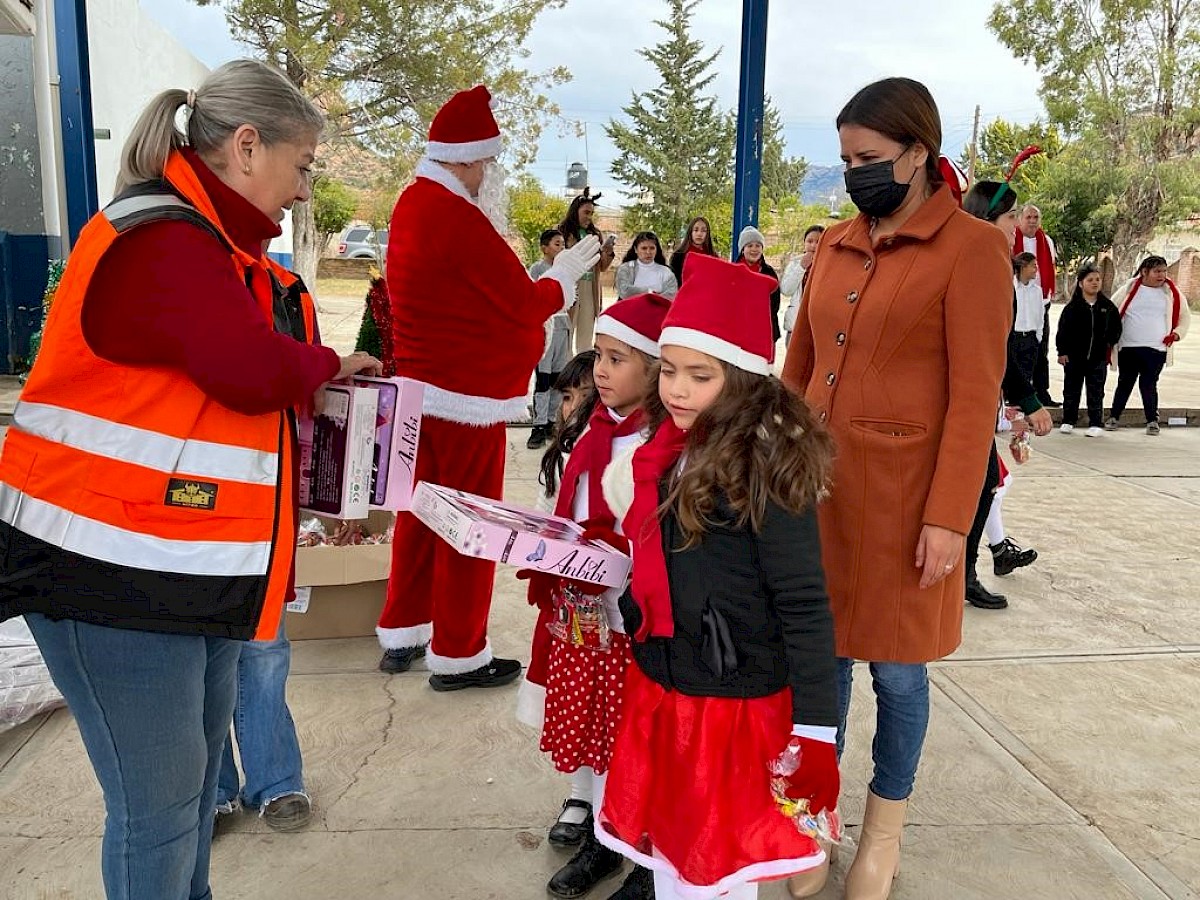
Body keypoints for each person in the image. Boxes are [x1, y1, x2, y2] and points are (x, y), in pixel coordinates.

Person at [0, 59, 383, 900]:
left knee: (191, 793)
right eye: (302, 165)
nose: (304, 189)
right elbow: (247, 370)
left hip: (174, 568)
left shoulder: (208, 243)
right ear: (247, 147)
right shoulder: (164, 239)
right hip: (103, 573)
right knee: (162, 811)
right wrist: (325, 363)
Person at [782, 77, 1011, 898]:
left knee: (899, 673)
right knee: (823, 665)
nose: (855, 174)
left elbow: (976, 396)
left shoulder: (972, 249)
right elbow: (799, 367)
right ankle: (815, 818)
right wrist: (767, 461)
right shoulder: (837, 243)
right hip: (818, 494)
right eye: (846, 159)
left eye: (869, 158)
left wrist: (951, 518)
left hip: (908, 503)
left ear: (919, 153)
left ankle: (884, 830)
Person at [598, 253, 839, 900]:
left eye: (699, 376)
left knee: (718, 871)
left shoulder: (767, 468)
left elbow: (805, 604)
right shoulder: (666, 450)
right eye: (669, 370)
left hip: (731, 706)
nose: (677, 390)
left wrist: (817, 730)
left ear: (744, 379)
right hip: (667, 687)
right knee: (675, 860)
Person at [377, 85, 601, 687]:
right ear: (469, 158)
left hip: (420, 393)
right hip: (464, 401)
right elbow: (524, 303)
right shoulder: (456, 215)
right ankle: (459, 651)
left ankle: (404, 629)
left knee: (418, 518)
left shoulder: (412, 202)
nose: (489, 178)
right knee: (471, 527)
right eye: (488, 165)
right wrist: (566, 271)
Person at [523, 294, 669, 900]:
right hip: (586, 617)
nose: (600, 371)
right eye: (599, 356)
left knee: (638, 739)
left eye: (616, 359)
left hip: (637, 623)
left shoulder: (662, 443)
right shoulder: (594, 430)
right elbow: (570, 505)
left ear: (656, 370)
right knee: (597, 731)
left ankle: (646, 855)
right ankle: (604, 836)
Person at [959, 179, 1053, 611]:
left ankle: (966, 572)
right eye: (1011, 216)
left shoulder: (988, 264)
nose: (1017, 225)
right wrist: (1029, 402)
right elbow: (996, 345)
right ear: (988, 218)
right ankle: (961, 575)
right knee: (979, 487)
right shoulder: (982, 268)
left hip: (976, 396)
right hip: (962, 399)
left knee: (986, 485)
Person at [1106, 255, 1192, 435]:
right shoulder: (1129, 288)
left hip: (1157, 348)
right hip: (1129, 347)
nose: (1162, 275)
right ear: (1144, 272)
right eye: (1157, 271)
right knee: (1125, 382)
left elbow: (1184, 317)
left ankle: (1152, 420)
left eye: (1164, 271)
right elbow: (1111, 310)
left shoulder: (1171, 292)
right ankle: (1114, 417)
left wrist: (1177, 333)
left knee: (1149, 384)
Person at [1056, 264, 1122, 438]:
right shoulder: (1072, 308)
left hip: (1098, 358)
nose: (1094, 283)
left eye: (1097, 280)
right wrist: (1062, 352)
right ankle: (1068, 420)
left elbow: (1116, 328)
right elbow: (1062, 332)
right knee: (1071, 390)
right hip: (1074, 358)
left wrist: (1108, 343)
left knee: (1096, 391)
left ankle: (1095, 423)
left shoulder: (1108, 307)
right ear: (1081, 283)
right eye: (1090, 280)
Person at [559, 189, 617, 353]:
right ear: (575, 211)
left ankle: (582, 366)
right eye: (586, 212)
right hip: (570, 286)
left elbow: (602, 267)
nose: (589, 217)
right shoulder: (562, 232)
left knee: (586, 334)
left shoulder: (595, 234)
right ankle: (564, 366)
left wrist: (607, 252)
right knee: (566, 331)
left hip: (590, 288)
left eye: (591, 213)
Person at [1014, 204, 1061, 406]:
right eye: (1029, 217)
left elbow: (1050, 266)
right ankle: (1015, 395)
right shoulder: (1011, 237)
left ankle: (1042, 392)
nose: (1032, 221)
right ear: (1020, 219)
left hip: (1039, 299)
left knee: (1041, 349)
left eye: (1036, 217)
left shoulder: (1046, 241)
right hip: (1017, 297)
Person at [528, 228, 569, 450]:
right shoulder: (537, 269)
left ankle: (553, 421)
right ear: (545, 248)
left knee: (557, 378)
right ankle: (539, 424)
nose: (561, 248)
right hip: (546, 327)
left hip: (563, 327)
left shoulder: (566, 271)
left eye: (563, 244)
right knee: (543, 379)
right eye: (556, 244)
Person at [735, 225, 783, 342]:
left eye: (758, 245)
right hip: (738, 329)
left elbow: (775, 303)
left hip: (765, 330)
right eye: (750, 245)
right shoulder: (733, 271)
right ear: (742, 249)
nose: (754, 249)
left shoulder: (769, 272)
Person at [781, 225, 825, 345]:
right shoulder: (795, 263)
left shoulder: (830, 266)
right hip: (795, 325)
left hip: (819, 328)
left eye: (818, 242)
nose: (813, 245)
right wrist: (801, 267)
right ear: (804, 243)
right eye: (810, 241)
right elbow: (786, 290)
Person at [615, 231, 678, 300]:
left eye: (652, 248)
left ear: (656, 250)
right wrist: (650, 292)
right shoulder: (626, 269)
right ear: (636, 249)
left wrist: (651, 299)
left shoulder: (666, 272)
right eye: (644, 248)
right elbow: (624, 291)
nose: (648, 252)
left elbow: (671, 296)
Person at [1011, 251, 1043, 384]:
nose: (1036, 269)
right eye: (1033, 265)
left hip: (1030, 339)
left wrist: (1038, 337)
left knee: (1027, 378)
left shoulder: (1037, 291)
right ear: (1023, 266)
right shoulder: (1010, 287)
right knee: (1012, 378)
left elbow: (1040, 316)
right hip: (1014, 337)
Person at [668, 216, 718, 285]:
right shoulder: (678, 256)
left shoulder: (714, 257)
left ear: (707, 234)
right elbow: (673, 283)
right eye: (696, 230)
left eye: (703, 231)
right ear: (690, 232)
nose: (699, 234)